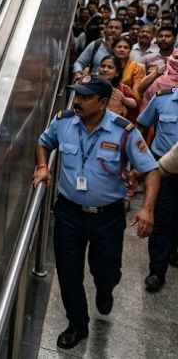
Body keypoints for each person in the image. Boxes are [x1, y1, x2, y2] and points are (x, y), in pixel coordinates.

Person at [34, 75, 158, 350]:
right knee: (68, 272)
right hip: (69, 213)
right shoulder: (64, 122)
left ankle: (105, 288)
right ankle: (77, 324)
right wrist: (43, 167)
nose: (77, 100)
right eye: (76, 95)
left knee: (106, 269)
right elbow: (43, 142)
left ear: (103, 103)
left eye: (85, 97)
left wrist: (147, 209)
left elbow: (151, 171)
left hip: (107, 216)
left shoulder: (123, 130)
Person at [137, 69, 178, 293]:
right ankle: (157, 271)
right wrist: (140, 160)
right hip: (161, 170)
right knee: (161, 218)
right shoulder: (162, 98)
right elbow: (142, 126)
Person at [138, 27, 177, 100]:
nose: (163, 39)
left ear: (174, 39)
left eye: (167, 36)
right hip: (152, 100)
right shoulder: (148, 58)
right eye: (160, 36)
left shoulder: (177, 56)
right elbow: (140, 83)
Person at [109, 35, 145, 99]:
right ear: (113, 49)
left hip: (128, 101)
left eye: (126, 48)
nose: (122, 50)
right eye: (119, 47)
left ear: (130, 51)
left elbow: (136, 92)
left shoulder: (136, 67)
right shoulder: (106, 63)